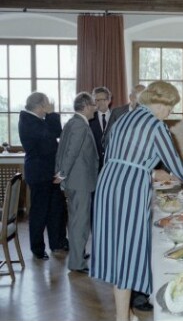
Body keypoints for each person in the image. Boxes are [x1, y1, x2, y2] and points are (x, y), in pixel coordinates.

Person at [90, 80, 183, 321]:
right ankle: (121, 318)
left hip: (107, 183)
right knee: (127, 252)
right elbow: (175, 163)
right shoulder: (156, 126)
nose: (170, 112)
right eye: (170, 106)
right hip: (129, 188)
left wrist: (148, 171)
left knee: (116, 249)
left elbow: (114, 152)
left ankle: (126, 311)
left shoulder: (125, 117)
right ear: (161, 101)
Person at [102, 83, 154, 312]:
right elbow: (107, 142)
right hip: (122, 182)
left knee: (137, 242)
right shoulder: (119, 114)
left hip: (140, 178)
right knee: (126, 243)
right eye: (138, 97)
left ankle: (139, 296)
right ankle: (127, 302)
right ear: (131, 97)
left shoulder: (150, 118)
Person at [18, 92, 68, 260]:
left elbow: (56, 133)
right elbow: (51, 137)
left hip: (49, 172)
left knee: (56, 209)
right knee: (40, 212)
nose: (48, 108)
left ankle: (57, 243)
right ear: (40, 106)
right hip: (40, 174)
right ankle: (37, 249)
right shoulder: (28, 120)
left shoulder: (37, 120)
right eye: (46, 104)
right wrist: (52, 114)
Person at [54, 92, 99, 273]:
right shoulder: (80, 125)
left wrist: (61, 173)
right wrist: (62, 174)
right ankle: (77, 263)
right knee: (80, 223)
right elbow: (70, 152)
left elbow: (61, 150)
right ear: (86, 106)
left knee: (75, 222)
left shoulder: (72, 122)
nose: (95, 108)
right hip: (79, 182)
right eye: (94, 105)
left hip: (74, 181)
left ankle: (77, 255)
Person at [103, 84, 145, 149]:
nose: (141, 101)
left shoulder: (149, 114)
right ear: (131, 97)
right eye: (138, 97)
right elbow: (107, 138)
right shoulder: (117, 113)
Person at [89, 86, 112, 170]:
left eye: (102, 100)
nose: (99, 103)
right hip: (93, 165)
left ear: (109, 100)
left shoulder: (117, 117)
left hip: (111, 163)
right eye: (96, 100)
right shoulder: (89, 119)